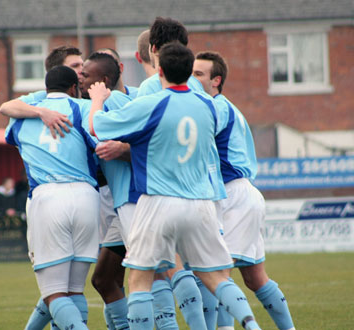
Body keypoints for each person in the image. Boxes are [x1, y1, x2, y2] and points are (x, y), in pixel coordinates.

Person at [88, 41, 262, 330]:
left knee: (140, 278)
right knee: (217, 277)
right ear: (190, 74)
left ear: (160, 70)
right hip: (201, 203)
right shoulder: (209, 105)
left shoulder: (152, 103)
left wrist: (97, 100)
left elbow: (98, 126)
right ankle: (252, 326)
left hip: (159, 202)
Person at [193, 51, 295, 330]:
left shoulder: (215, 107)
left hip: (232, 195)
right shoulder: (227, 107)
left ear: (217, 80)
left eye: (199, 74)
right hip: (242, 194)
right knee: (254, 277)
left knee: (214, 273)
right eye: (190, 73)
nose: (192, 78)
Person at [4, 65, 100, 330]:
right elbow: (99, 139)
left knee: (54, 293)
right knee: (75, 290)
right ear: (74, 88)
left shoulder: (23, 117)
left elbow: (9, 127)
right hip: (86, 197)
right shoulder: (82, 108)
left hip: (48, 198)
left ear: (45, 89)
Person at [135, 16, 214, 330]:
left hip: (163, 193)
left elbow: (137, 139)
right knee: (211, 272)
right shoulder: (200, 91)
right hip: (201, 192)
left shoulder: (150, 89)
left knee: (150, 272)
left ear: (150, 52)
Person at [80, 51, 135, 330]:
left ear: (102, 81)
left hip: (131, 201)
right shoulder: (113, 100)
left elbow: (95, 129)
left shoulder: (110, 101)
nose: (80, 77)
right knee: (105, 278)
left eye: (85, 75)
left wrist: (97, 102)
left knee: (155, 276)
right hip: (120, 203)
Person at [0, 45, 84, 139]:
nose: (82, 70)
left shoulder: (92, 95)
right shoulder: (45, 96)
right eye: (75, 66)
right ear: (57, 70)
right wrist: (42, 112)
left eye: (82, 65)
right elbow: (5, 107)